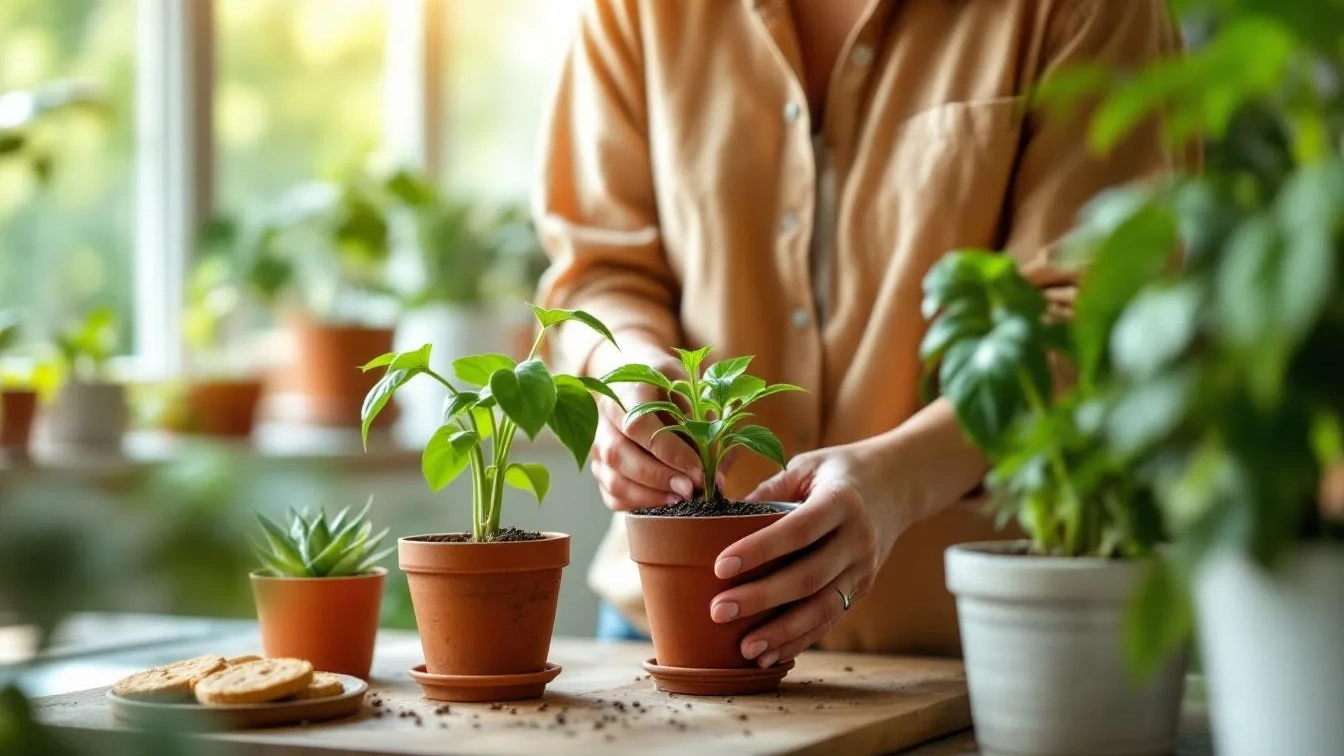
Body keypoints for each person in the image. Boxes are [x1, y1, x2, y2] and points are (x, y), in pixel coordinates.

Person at [535, 0, 1193, 665]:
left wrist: (898, 478)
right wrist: (629, 378)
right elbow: (603, 267)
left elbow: (1094, 313)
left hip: (968, 650)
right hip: (669, 626)